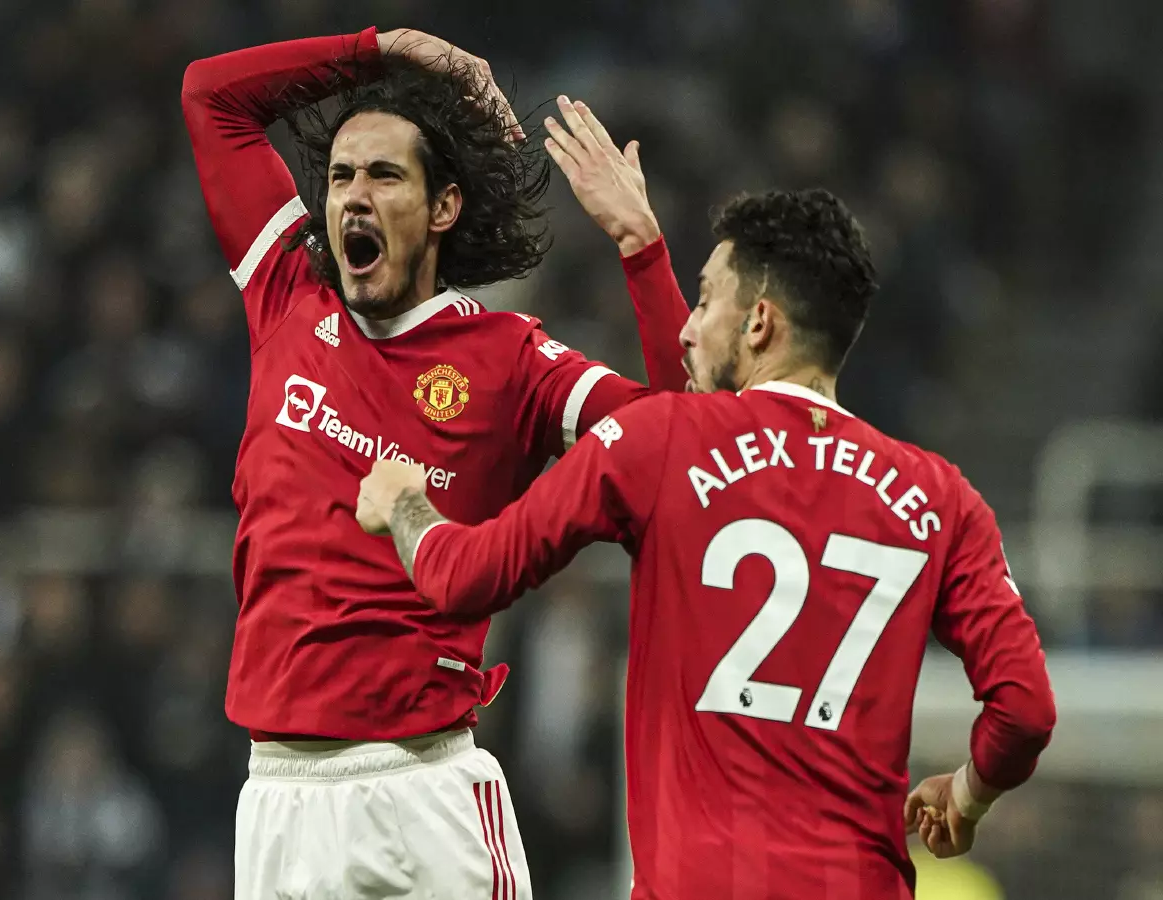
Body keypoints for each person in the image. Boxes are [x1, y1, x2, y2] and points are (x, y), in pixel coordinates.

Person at [356, 189, 1057, 899]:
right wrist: (968, 794)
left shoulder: (658, 442)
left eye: (704, 300)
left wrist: (404, 505)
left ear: (759, 322)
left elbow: (466, 577)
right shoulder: (941, 497)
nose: (687, 330)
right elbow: (1026, 710)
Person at [181, 25, 689, 899]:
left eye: (384, 176)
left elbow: (688, 443)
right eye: (341, 176)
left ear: (442, 206)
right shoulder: (287, 298)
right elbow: (210, 96)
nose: (353, 197)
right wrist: (385, 48)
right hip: (276, 798)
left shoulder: (509, 362)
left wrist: (641, 248)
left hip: (422, 791)